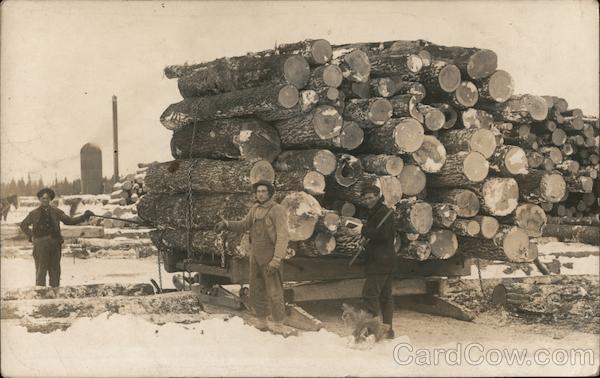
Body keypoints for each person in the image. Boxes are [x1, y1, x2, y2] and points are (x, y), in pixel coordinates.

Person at [215, 180, 290, 335]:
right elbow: (243, 225)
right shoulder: (255, 209)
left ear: (270, 193)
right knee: (256, 290)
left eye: (263, 191)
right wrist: (227, 224)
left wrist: (276, 259)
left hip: (270, 257)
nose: (260, 194)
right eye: (258, 191)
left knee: (274, 292)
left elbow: (283, 236)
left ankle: (278, 324)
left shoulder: (278, 210)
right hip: (255, 257)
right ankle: (262, 321)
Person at [20, 188, 94, 287]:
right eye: (43, 198)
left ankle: (55, 293)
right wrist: (32, 236)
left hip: (55, 244)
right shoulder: (33, 213)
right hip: (40, 244)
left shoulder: (56, 212)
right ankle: (40, 294)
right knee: (41, 270)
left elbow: (69, 221)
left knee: (55, 270)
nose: (45, 200)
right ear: (40, 199)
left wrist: (84, 216)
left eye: (47, 198)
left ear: (50, 199)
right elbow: (23, 225)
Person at [354, 185, 396, 339]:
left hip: (380, 262)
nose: (368, 200)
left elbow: (384, 235)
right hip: (384, 260)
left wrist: (362, 230)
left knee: (370, 295)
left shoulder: (384, 212)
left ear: (378, 196)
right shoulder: (376, 212)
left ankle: (371, 332)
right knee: (385, 296)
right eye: (365, 198)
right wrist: (364, 240)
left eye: (371, 197)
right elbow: (376, 236)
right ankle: (388, 330)